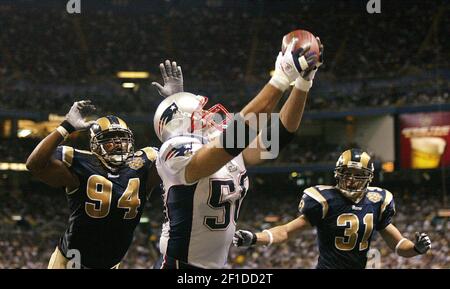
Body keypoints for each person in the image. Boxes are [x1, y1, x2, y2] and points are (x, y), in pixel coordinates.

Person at [152, 37, 323, 268]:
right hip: (180, 266)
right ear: (182, 123)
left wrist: (303, 84)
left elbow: (278, 137)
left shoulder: (219, 145)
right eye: (200, 112)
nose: (210, 115)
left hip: (217, 265)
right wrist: (281, 78)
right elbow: (233, 140)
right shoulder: (173, 152)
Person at [25, 60, 184, 269]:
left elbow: (182, 156)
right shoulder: (81, 162)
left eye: (122, 138)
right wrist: (65, 127)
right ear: (95, 145)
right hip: (70, 262)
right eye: (111, 139)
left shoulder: (144, 163)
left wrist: (177, 103)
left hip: (111, 264)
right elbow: (34, 164)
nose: (118, 143)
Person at [233, 148, 432, 269]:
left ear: (369, 177)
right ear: (338, 174)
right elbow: (286, 231)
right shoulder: (325, 200)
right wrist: (255, 238)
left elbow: (398, 245)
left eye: (358, 174)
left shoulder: (377, 200)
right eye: (347, 173)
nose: (352, 180)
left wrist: (416, 249)